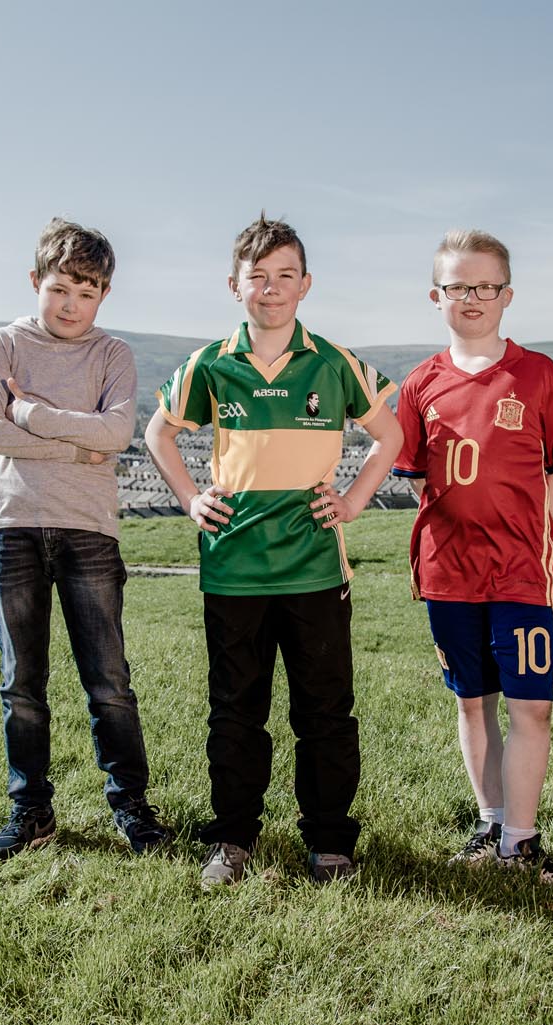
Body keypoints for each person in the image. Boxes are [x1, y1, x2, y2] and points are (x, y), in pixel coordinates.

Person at [144, 214, 402, 887]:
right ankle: (232, 839)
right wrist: (191, 498)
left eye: (285, 275)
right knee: (236, 709)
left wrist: (352, 500)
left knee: (324, 708)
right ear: (235, 286)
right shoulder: (210, 363)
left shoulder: (336, 362)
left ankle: (329, 841)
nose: (271, 288)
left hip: (315, 563)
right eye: (257, 277)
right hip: (233, 568)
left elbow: (391, 437)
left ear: (305, 284)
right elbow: (157, 434)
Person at [389, 229, 553, 892]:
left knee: (530, 706)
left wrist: (526, 522)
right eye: (457, 287)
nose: (471, 297)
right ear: (435, 296)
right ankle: (491, 822)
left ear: (506, 295)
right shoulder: (420, 383)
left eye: (484, 286)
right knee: (473, 702)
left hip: (522, 572)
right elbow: (417, 474)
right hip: (450, 571)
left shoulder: (539, 375)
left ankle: (522, 842)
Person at [0, 217, 172, 860]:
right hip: (14, 526)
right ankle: (30, 811)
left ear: (103, 295)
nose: (70, 305)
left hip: (89, 531)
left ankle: (131, 806)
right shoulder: (3, 345)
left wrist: (28, 412)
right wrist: (75, 441)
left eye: (86, 294)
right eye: (60, 289)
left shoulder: (113, 355)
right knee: (20, 682)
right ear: (36, 281)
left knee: (108, 678)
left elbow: (114, 437)